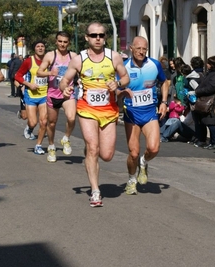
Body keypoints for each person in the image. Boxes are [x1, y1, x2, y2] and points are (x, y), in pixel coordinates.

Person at [60, 22, 129, 207]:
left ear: (105, 37)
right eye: (93, 35)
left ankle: (90, 153)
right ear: (86, 37)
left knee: (106, 155)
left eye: (101, 35)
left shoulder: (113, 57)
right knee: (93, 147)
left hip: (109, 110)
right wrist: (65, 90)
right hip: (86, 109)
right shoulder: (79, 59)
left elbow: (125, 77)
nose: (97, 38)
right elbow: (65, 81)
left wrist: (119, 84)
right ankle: (95, 191)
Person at [117, 36, 169, 196]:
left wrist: (164, 102)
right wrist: (122, 93)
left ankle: (144, 162)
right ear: (131, 48)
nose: (141, 52)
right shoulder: (123, 67)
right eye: (138, 48)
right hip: (131, 114)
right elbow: (116, 90)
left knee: (153, 148)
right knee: (133, 152)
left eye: (144, 49)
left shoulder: (154, 64)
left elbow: (165, 82)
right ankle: (132, 180)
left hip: (149, 113)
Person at [37, 31, 78, 163]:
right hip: (53, 94)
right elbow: (39, 72)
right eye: (60, 41)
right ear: (56, 41)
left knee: (72, 117)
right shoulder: (50, 55)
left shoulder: (73, 56)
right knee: (52, 123)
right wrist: (50, 72)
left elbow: (81, 71)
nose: (62, 44)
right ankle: (51, 146)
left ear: (69, 43)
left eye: (65, 42)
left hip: (68, 92)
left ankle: (66, 138)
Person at [15, 40, 48, 154]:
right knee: (33, 122)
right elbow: (18, 75)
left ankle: (38, 146)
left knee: (43, 122)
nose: (40, 48)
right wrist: (29, 84)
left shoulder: (49, 60)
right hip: (31, 95)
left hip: (45, 95)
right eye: (38, 46)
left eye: (42, 46)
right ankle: (29, 128)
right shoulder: (29, 61)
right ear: (34, 49)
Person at [193, 56, 215, 149]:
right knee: (207, 121)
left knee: (211, 122)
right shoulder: (210, 73)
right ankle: (212, 141)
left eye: (208, 63)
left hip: (212, 101)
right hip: (207, 99)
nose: (206, 65)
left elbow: (211, 87)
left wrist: (198, 91)